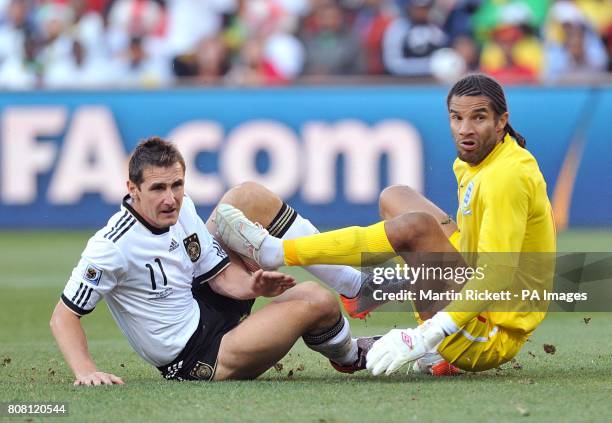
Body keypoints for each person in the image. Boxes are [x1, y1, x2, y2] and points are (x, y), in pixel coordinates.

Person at [214, 74, 556, 376]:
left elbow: (497, 275)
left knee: (417, 229)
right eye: (457, 118)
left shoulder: (505, 178)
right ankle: (357, 286)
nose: (465, 129)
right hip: (479, 290)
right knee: (397, 197)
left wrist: (425, 335)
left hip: (489, 334)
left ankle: (278, 252)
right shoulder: (479, 158)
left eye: (478, 118)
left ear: (501, 121)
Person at [50, 137, 376, 386]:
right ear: (132, 189)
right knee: (317, 301)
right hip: (199, 355)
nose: (170, 198)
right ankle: (351, 356)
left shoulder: (183, 209)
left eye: (177, 185)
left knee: (244, 197)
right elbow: (63, 316)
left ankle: (357, 285)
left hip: (205, 300)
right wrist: (87, 371)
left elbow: (217, 276)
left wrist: (252, 286)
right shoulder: (111, 247)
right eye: (158, 188)